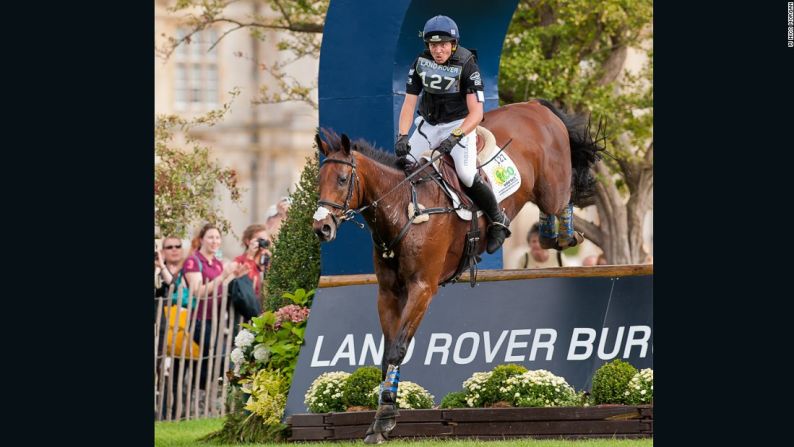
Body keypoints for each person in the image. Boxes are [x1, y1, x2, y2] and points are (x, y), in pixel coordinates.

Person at [395, 15, 510, 254]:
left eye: (444, 45)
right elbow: (408, 104)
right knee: (403, 167)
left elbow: (477, 112)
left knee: (467, 174)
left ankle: (498, 220)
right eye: (434, 45)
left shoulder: (467, 63)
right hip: (428, 124)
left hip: (459, 124)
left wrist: (455, 136)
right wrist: (403, 135)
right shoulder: (419, 62)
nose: (438, 50)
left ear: (453, 44)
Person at [182, 223, 249, 388]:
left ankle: (205, 391)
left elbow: (221, 288)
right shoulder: (193, 261)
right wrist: (223, 275)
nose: (215, 241)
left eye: (217, 237)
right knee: (214, 355)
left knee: (214, 357)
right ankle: (202, 390)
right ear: (201, 240)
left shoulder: (217, 263)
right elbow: (198, 291)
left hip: (217, 319)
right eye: (210, 237)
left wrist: (234, 275)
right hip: (199, 320)